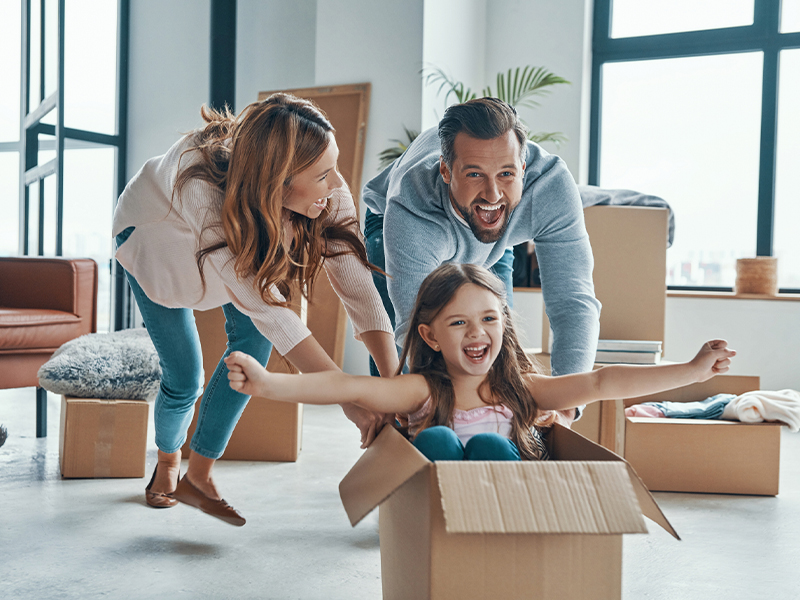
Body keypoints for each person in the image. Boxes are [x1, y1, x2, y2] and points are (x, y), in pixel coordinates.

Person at [112, 94, 398, 526]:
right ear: (279, 183)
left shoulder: (325, 193)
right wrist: (351, 400)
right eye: (323, 175)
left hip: (231, 252)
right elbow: (273, 312)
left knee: (252, 351)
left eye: (334, 166)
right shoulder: (201, 189)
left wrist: (392, 386)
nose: (338, 185)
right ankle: (169, 460)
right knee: (185, 377)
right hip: (156, 250)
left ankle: (200, 477)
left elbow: (358, 288)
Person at [224, 264, 735, 462]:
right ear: (429, 335)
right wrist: (270, 385)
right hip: (436, 515)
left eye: (489, 319)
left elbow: (603, 381)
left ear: (504, 326)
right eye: (459, 323)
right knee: (439, 439)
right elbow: (349, 388)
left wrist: (691, 371)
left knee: (492, 442)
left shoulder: (523, 390)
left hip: (504, 512)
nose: (477, 333)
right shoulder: (422, 389)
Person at [362, 97, 601, 426]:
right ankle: (392, 434)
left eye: (506, 174)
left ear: (524, 168)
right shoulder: (411, 204)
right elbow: (415, 327)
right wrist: (436, 412)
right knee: (400, 368)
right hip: (393, 223)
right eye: (475, 174)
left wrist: (565, 407)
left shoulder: (550, 189)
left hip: (493, 238)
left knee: (498, 342)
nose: (492, 193)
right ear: (446, 171)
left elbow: (573, 301)